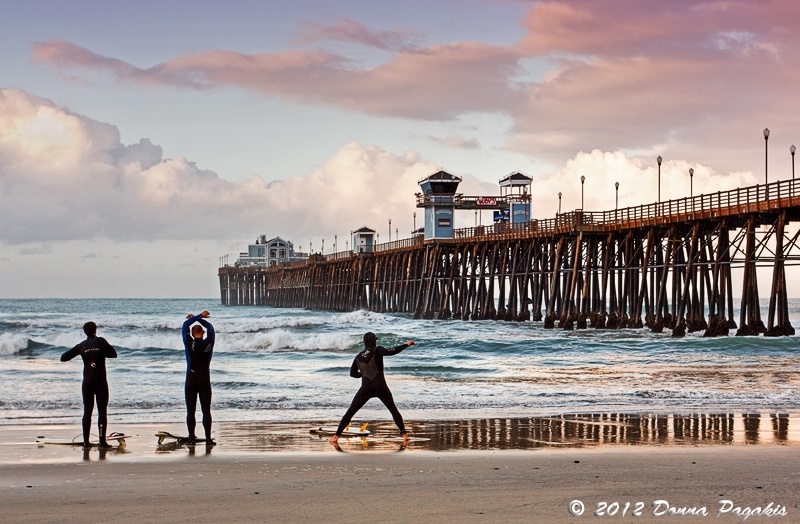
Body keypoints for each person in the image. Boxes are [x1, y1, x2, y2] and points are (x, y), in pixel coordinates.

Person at [329, 332, 415, 446]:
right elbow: (391, 351)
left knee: (350, 412)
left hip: (366, 388)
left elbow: (352, 374)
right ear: (374, 341)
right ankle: (404, 435)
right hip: (381, 386)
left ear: (365, 342)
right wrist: (406, 345)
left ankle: (336, 437)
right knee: (393, 409)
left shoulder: (358, 356)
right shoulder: (377, 349)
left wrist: (364, 374)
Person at [60, 321, 117, 448]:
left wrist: (84, 352)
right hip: (100, 382)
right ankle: (102, 442)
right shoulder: (101, 342)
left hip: (87, 383)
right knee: (102, 412)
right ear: (95, 330)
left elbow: (63, 358)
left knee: (87, 412)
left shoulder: (82, 346)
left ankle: (86, 442)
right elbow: (114, 354)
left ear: (85, 332)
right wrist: (100, 352)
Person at [182, 310, 215, 444]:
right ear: (203, 333)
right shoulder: (209, 342)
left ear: (192, 333)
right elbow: (211, 328)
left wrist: (196, 317)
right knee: (206, 410)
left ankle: (191, 437)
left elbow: (185, 326)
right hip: (205, 380)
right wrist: (201, 318)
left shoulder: (189, 343)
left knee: (191, 410)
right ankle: (208, 439)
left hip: (191, 379)